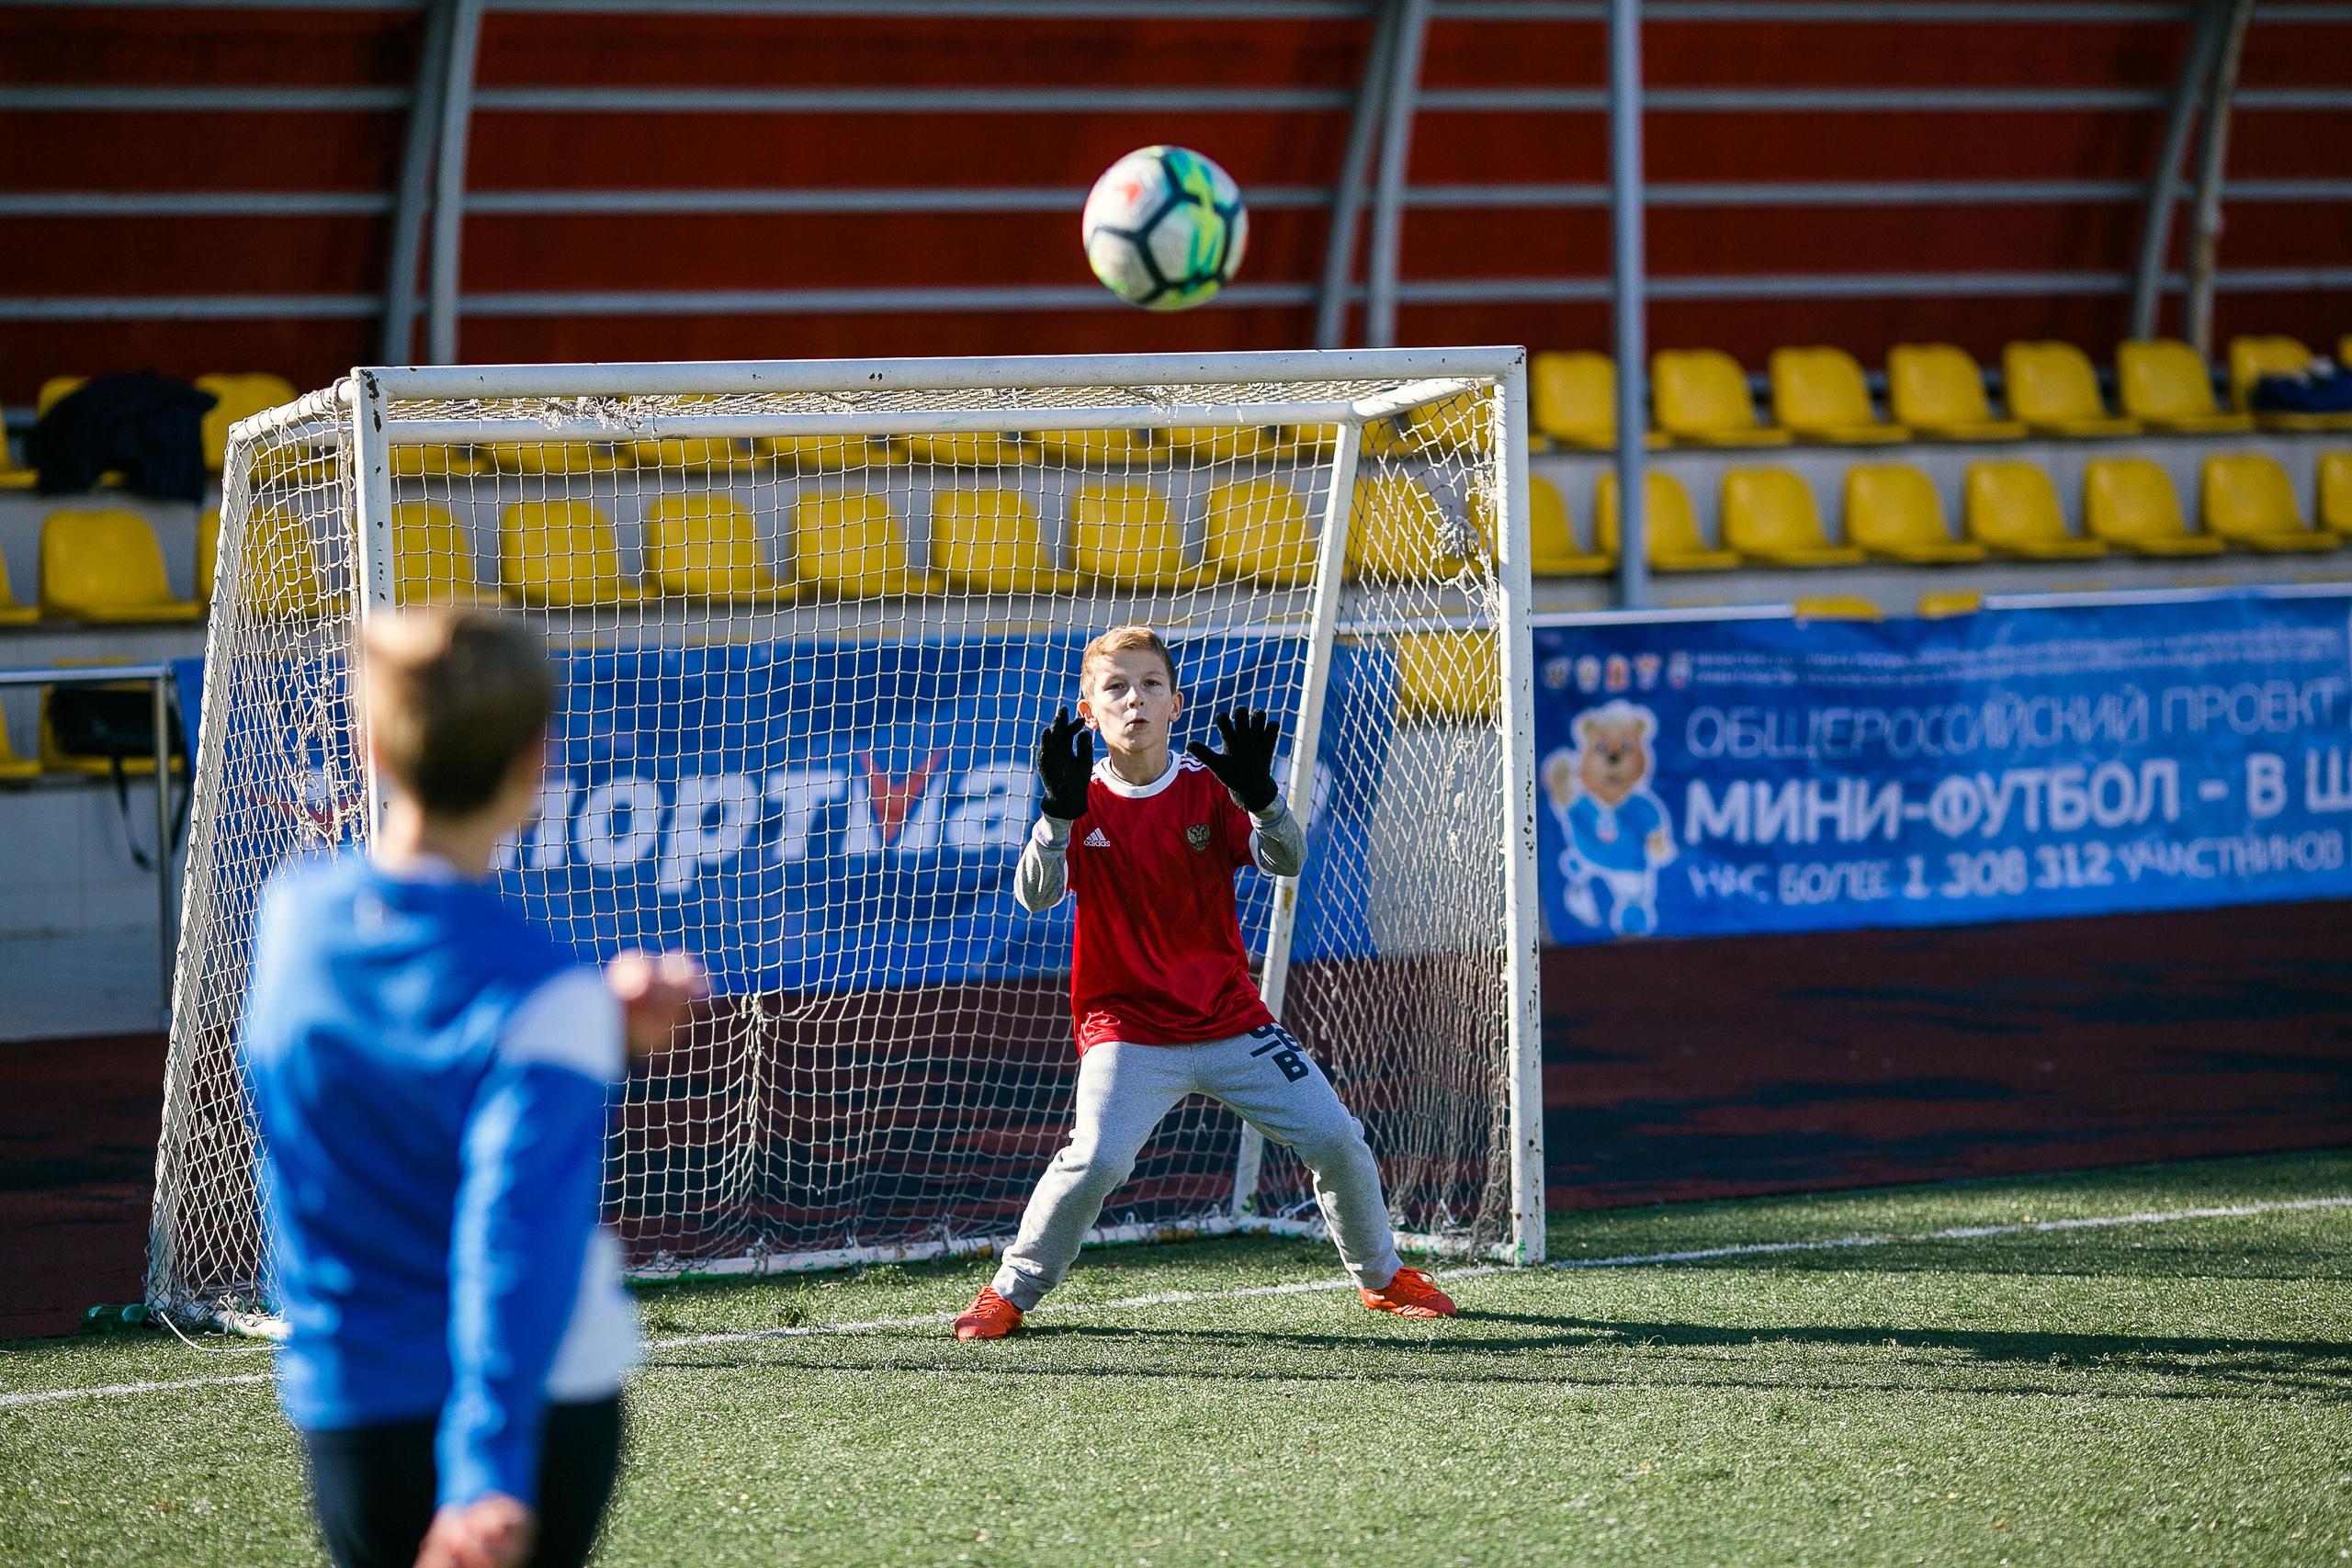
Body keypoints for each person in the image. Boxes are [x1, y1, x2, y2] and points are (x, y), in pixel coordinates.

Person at [240, 608, 705, 1568]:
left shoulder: (292, 919)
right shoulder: (544, 998)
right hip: (518, 1425)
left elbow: (393, 1068)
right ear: (535, 761)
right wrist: (485, 1471)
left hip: (349, 1394)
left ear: (369, 745)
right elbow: (513, 1240)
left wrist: (588, 1036)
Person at [953, 625, 1457, 1339]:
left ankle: (1381, 1279)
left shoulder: (1208, 787)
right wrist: (1056, 821)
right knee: (1094, 1159)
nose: (1135, 699)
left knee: (1339, 1138)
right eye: (1116, 687)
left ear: (1176, 703)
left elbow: (1285, 859)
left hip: (1232, 1023)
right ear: (1089, 709)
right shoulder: (1077, 795)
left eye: (1150, 685)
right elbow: (1034, 897)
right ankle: (1009, 1290)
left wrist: (1264, 799)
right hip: (1126, 1029)